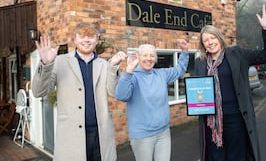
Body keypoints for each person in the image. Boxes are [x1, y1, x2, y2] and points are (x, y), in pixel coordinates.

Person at [194, 3, 266, 161]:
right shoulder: (200, 62)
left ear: (219, 38)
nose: (210, 42)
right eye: (206, 40)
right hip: (211, 120)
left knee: (236, 156)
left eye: (212, 38)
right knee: (215, 156)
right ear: (202, 44)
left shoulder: (237, 54)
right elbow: (197, 89)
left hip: (235, 118)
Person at [32, 22, 126, 161]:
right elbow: (38, 92)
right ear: (75, 40)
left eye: (91, 37)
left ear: (97, 40)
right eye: (82, 36)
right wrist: (46, 65)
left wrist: (113, 67)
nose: (86, 40)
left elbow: (113, 92)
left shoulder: (104, 65)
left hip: (100, 135)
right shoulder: (59, 61)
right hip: (71, 136)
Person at [115, 39, 189, 161]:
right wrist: (128, 71)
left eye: (152, 56)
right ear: (138, 57)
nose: (149, 59)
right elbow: (121, 95)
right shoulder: (131, 77)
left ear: (155, 58)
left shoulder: (161, 74)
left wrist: (185, 52)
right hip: (142, 135)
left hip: (163, 132)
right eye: (145, 55)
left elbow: (179, 70)